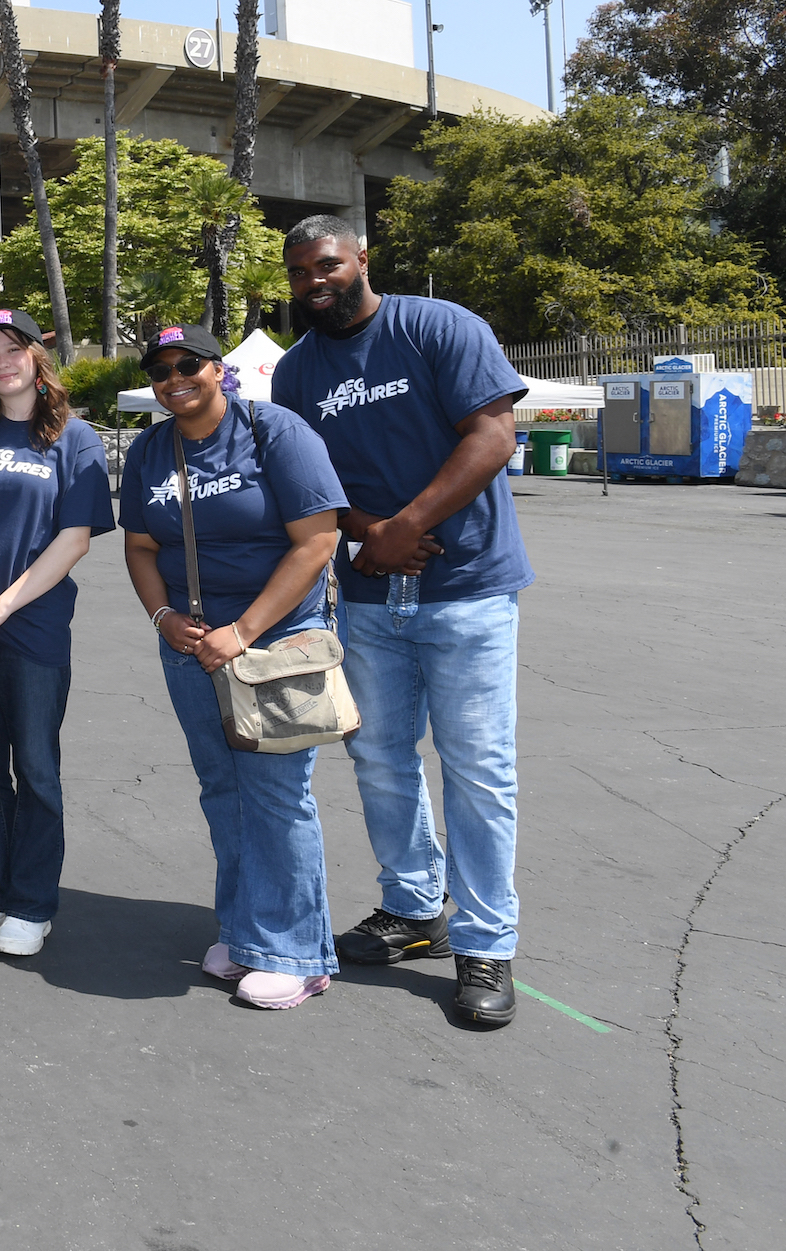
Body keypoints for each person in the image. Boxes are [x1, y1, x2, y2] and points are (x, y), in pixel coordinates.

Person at [273, 215, 534, 1027]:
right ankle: (416, 908)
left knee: (478, 769)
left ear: (360, 260)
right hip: (370, 595)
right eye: (300, 272)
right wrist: (366, 534)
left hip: (468, 591)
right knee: (381, 758)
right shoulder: (295, 372)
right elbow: (304, 480)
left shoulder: (437, 325)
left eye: (328, 263)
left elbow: (493, 434)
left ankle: (487, 941)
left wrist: (403, 526)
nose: (315, 280)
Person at [118, 324, 348, 1010]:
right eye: (160, 370)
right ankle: (248, 932)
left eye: (188, 363)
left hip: (274, 639)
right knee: (223, 787)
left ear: (219, 369)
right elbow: (137, 546)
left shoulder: (274, 431)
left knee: (276, 792)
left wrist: (243, 630)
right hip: (190, 641)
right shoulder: (152, 449)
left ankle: (299, 953)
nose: (174, 378)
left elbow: (319, 540)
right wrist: (164, 619)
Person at [0, 307, 114, 957]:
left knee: (33, 763)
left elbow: (74, 537)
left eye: (13, 349)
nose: (1, 361)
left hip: (30, 622)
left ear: (37, 355)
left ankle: (32, 901)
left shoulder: (74, 435)